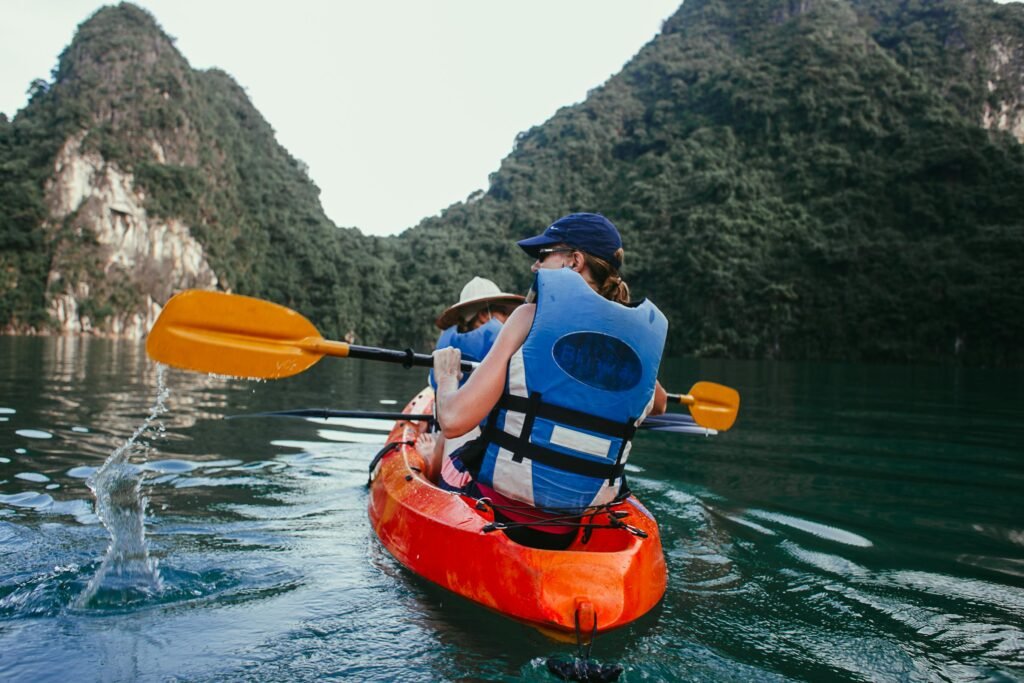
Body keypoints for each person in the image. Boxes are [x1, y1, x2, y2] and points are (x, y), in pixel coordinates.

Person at [432, 212, 668, 550]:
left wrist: (446, 378)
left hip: (496, 511)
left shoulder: (527, 317)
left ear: (575, 261)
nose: (535, 266)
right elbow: (659, 404)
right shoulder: (639, 344)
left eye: (543, 256)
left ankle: (428, 459)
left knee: (460, 430)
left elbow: (454, 420)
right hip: (572, 526)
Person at [417, 277, 524, 481]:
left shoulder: (450, 344)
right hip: (473, 431)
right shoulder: (506, 347)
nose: (508, 319)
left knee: (450, 426)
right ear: (484, 315)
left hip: (454, 430)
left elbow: (434, 389)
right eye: (504, 313)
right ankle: (434, 460)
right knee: (456, 424)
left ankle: (434, 458)